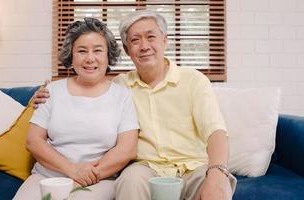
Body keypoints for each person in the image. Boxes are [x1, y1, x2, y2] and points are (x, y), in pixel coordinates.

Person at [34, 10, 237, 200]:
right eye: (135, 40)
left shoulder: (194, 80)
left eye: (151, 37)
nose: (144, 46)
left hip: (193, 167)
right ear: (127, 50)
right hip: (145, 168)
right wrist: (41, 95)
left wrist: (218, 171)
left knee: (217, 185)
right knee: (130, 181)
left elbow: (216, 132)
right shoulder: (120, 87)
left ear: (165, 41)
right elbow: (87, 91)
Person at [13, 17, 139, 200]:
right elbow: (34, 142)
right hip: (48, 177)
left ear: (108, 55)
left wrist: (86, 176)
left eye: (98, 50)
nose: (90, 58)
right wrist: (72, 170)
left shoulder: (122, 95)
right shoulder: (51, 92)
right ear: (71, 56)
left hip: (99, 179)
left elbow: (127, 149)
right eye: (81, 51)